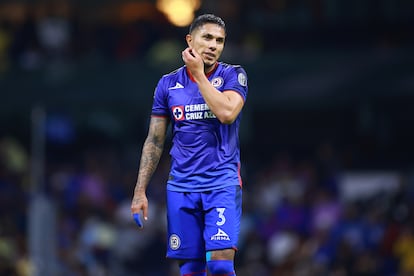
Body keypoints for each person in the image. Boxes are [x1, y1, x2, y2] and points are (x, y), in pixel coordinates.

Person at [131, 13, 248, 276]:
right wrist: (140, 191)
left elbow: (227, 114)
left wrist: (199, 76)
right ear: (189, 40)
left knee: (219, 266)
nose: (213, 45)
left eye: (219, 41)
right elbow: (155, 140)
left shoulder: (233, 76)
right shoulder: (167, 84)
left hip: (221, 184)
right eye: (207, 38)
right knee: (191, 270)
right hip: (181, 187)